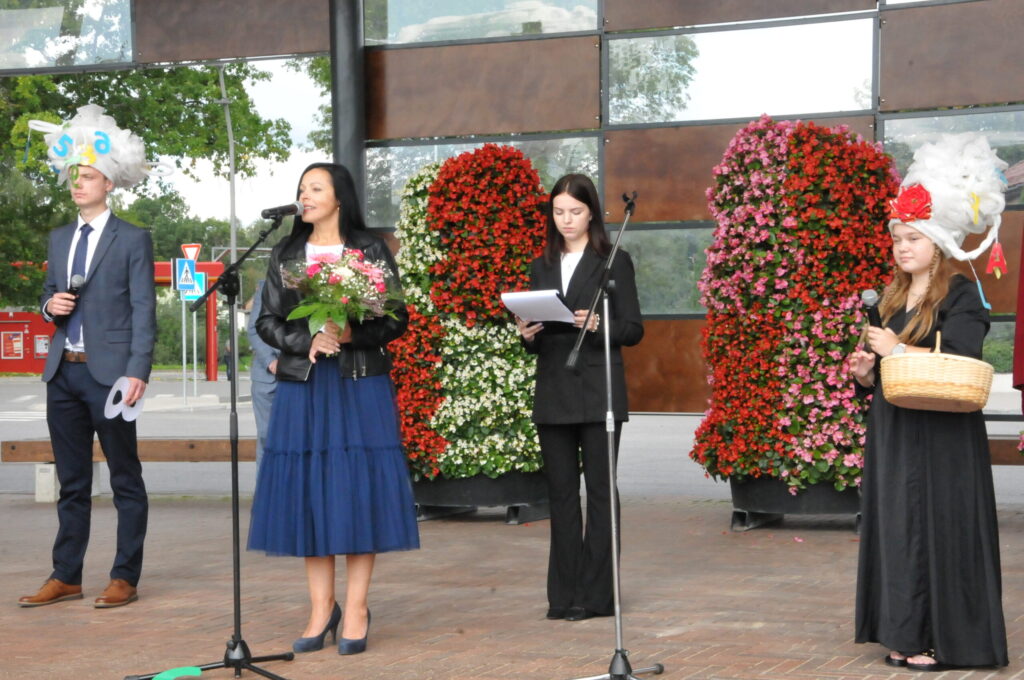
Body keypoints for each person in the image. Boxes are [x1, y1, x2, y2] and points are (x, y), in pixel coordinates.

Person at [850, 133, 1008, 671]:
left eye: (913, 237)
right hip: (896, 430)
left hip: (943, 435)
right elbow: (886, 372)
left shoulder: (962, 294)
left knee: (940, 528)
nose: (902, 247)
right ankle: (904, 632)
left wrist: (897, 349)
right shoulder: (892, 297)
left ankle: (946, 640)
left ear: (938, 242)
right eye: (897, 238)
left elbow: (962, 354)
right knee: (900, 529)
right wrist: (866, 375)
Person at [248, 162, 419, 655]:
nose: (305, 196)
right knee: (310, 493)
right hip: (305, 386)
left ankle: (357, 608)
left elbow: (396, 318)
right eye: (302, 189)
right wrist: (306, 340)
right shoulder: (286, 252)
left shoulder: (369, 250)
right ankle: (321, 608)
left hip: (359, 384)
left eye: (315, 188)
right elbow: (267, 321)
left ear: (339, 197)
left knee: (357, 491)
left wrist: (349, 334)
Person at [19, 105, 159, 609]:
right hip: (63, 373)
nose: (77, 184)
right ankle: (66, 576)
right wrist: (48, 306)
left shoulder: (133, 238)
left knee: (125, 479)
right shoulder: (59, 238)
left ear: (109, 184)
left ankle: (124, 576)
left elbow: (144, 309)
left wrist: (138, 371)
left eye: (88, 176)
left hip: (111, 377)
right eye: (74, 176)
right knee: (72, 482)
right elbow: (48, 293)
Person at [515, 173, 644, 622]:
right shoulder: (541, 265)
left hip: (598, 388)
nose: (566, 220)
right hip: (553, 389)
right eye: (558, 211)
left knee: (601, 493)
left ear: (592, 213)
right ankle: (564, 594)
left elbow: (634, 329)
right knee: (562, 495)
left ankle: (597, 596)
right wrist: (526, 333)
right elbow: (537, 339)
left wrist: (598, 325)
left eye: (575, 211)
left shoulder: (614, 260)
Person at [246, 278, 279, 478]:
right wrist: (270, 361)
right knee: (266, 437)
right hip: (267, 377)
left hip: (304, 372)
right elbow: (254, 328)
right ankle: (264, 492)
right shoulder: (267, 286)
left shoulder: (314, 282)